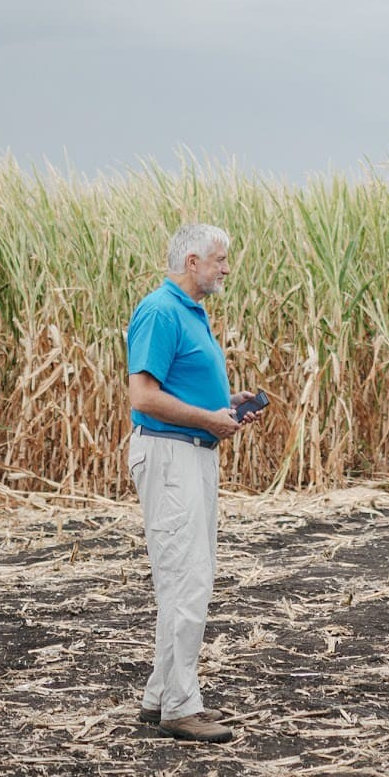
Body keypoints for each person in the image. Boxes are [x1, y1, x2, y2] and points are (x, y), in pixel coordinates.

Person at [127, 223, 253, 744]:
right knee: (187, 578)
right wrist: (207, 419)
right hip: (172, 455)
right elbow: (142, 396)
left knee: (185, 575)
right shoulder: (160, 310)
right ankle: (181, 705)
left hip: (192, 454)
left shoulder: (188, 313)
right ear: (194, 260)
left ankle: (161, 695)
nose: (226, 269)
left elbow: (176, 389)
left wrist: (224, 409)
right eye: (221, 260)